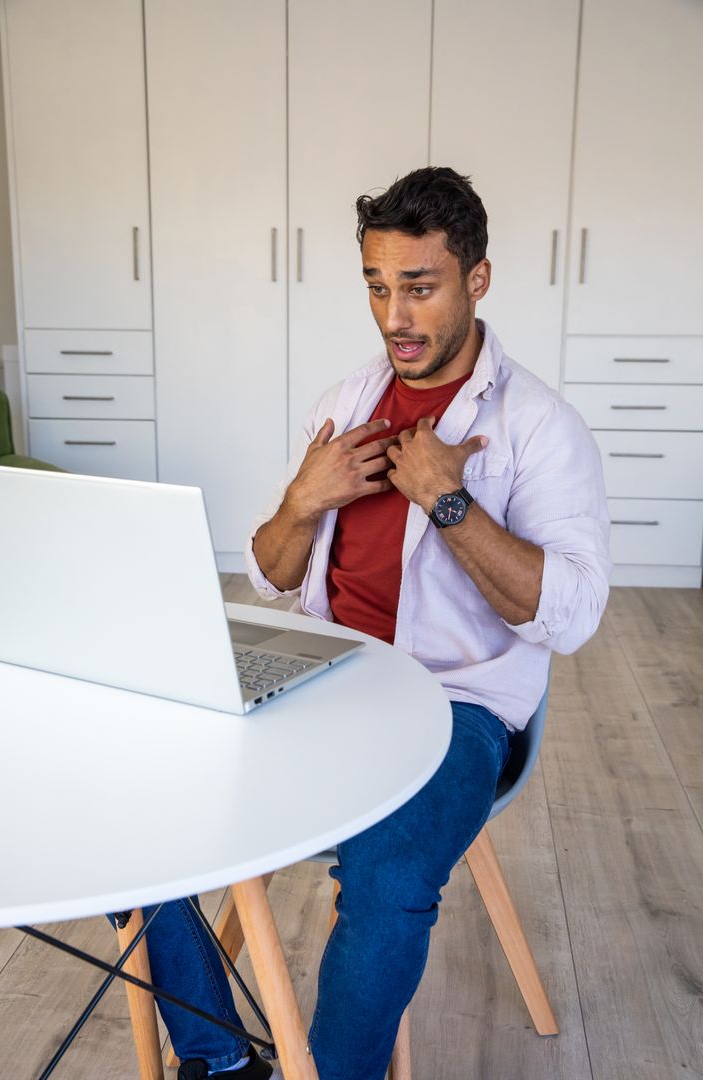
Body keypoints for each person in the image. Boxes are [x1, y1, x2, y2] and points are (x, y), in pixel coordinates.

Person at [130, 166, 610, 1080]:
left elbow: (574, 615)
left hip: (457, 704)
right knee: (141, 802)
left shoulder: (540, 428)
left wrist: (450, 503)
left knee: (388, 882)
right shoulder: (346, 405)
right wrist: (301, 504)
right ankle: (219, 1059)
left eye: (420, 287)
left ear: (477, 280)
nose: (396, 315)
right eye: (378, 287)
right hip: (324, 670)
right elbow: (272, 580)